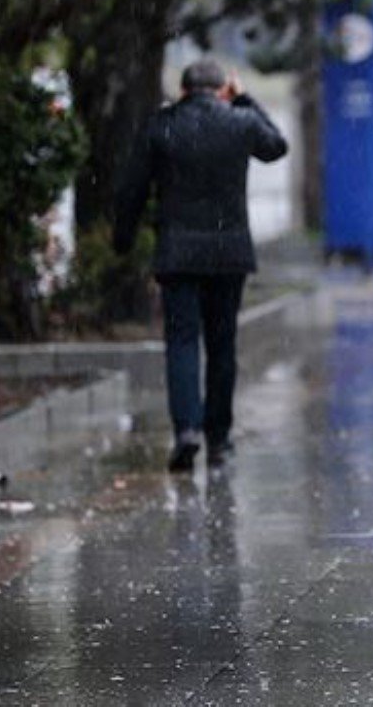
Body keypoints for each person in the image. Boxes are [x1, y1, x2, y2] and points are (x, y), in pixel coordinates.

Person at [115, 58, 288, 472]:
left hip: (177, 254)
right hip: (229, 254)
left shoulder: (162, 125)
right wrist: (245, 97)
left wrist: (123, 239)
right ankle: (219, 438)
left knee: (182, 342)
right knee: (223, 344)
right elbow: (276, 146)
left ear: (183, 88)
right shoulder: (241, 122)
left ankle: (187, 431)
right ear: (223, 88)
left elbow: (132, 187)